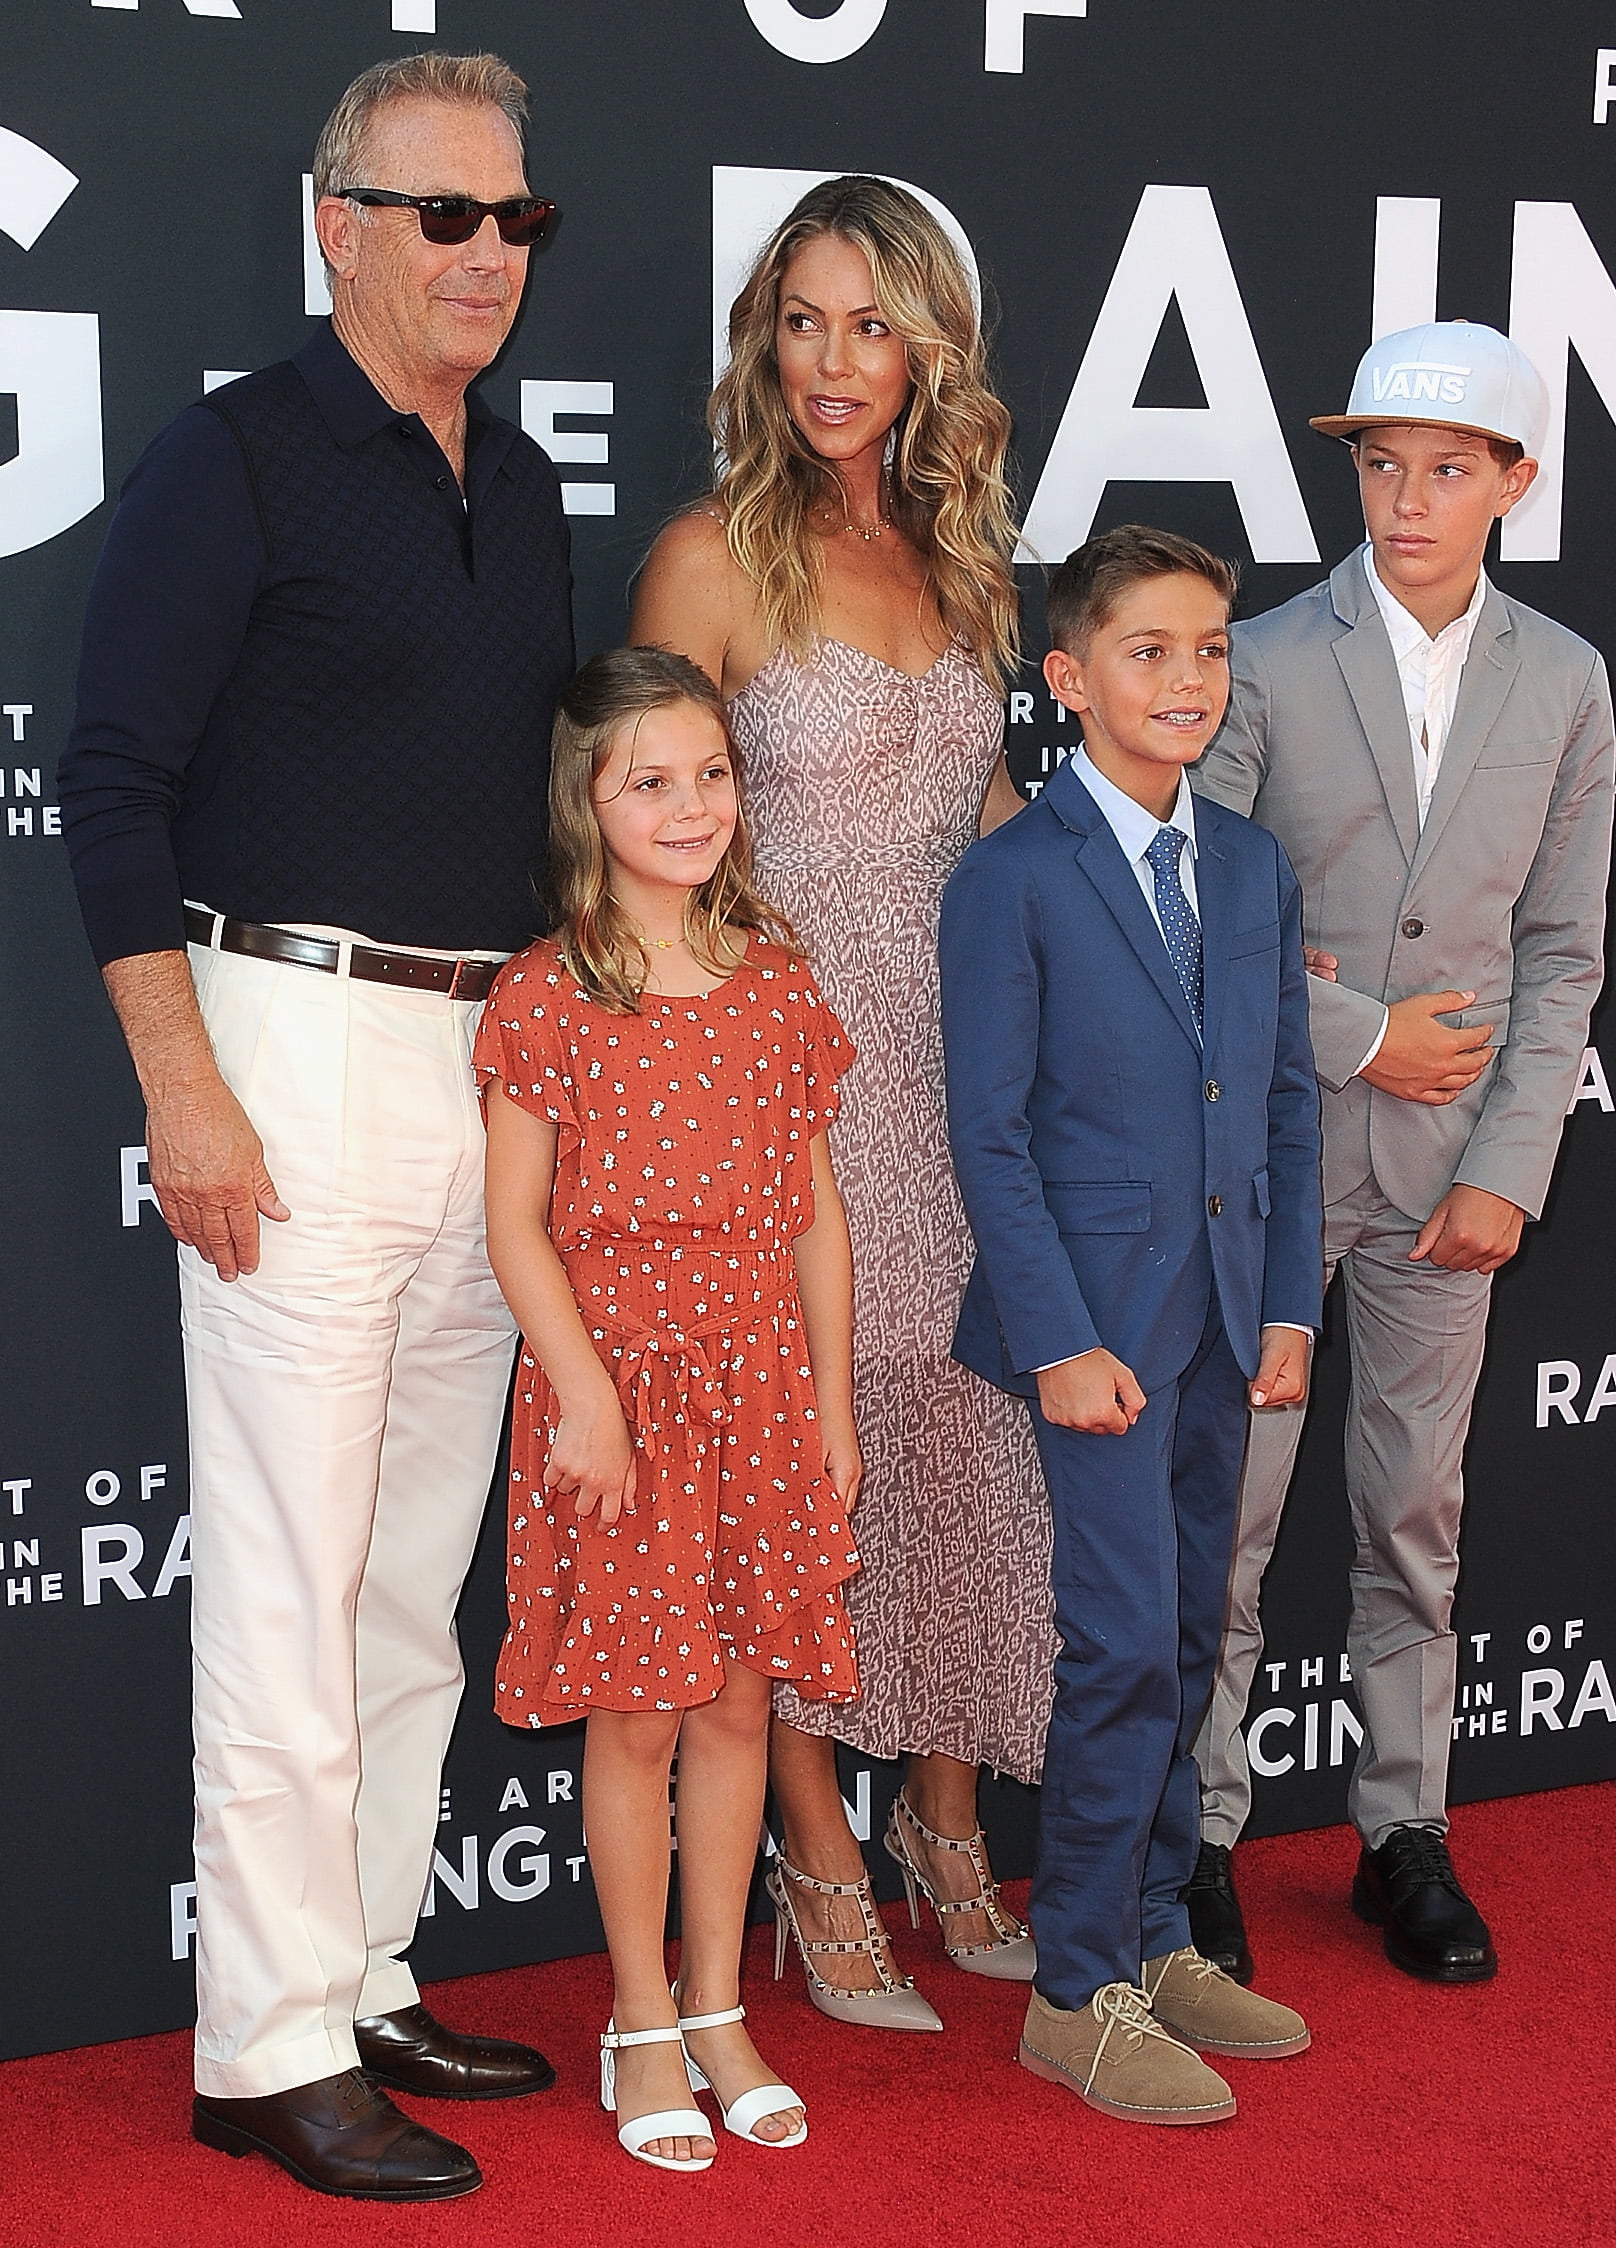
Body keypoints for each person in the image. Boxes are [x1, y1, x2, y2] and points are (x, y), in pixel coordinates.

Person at [56, 54, 571, 2202]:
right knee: (281, 1579)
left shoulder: (522, 478)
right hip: (285, 1037)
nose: (481, 257)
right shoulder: (233, 455)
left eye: (511, 221)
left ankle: (359, 1966)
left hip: (479, 1068)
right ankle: (259, 2043)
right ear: (333, 223)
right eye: (436, 214)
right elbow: (108, 782)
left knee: (402, 1588)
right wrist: (187, 1087)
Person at [631, 175, 1049, 2033]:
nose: (832, 360)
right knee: (807, 1469)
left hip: (961, 1068)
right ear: (760, 340)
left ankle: (946, 1827)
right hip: (788, 1085)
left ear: (928, 349)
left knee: (966, 1447)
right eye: (800, 319)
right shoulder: (712, 556)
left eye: (871, 324)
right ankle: (815, 1850)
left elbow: (988, 832)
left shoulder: (965, 562)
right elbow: (640, 844)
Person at [1187, 323, 1615, 1989]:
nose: (1408, 497)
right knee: (1230, 1514)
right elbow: (1207, 916)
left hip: (1455, 1179)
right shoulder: (1268, 656)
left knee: (1412, 1518)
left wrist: (1511, 1160)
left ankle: (1402, 1829)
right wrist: (1360, 1035)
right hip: (1276, 1162)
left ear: (1518, 481)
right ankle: (1201, 1832)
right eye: (1380, 463)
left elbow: (1563, 950)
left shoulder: (1568, 682)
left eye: (1448, 467)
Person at [940, 527, 1322, 2124]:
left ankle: (1160, 1936)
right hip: (1091, 1334)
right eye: (1150, 651)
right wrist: (1056, 1336)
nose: (1188, 679)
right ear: (1072, 678)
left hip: (1229, 1322)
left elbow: (1286, 1100)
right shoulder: (1013, 875)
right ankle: (1075, 1985)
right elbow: (992, 1132)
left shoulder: (1248, 864)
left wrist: (1291, 1299)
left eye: (1212, 649)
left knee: (1183, 1638)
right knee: (1116, 1652)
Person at [475, 647, 862, 2170]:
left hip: (762, 1392)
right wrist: (583, 1397)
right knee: (635, 1713)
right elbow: (517, 1225)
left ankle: (718, 2006)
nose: (689, 804)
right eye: (650, 780)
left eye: (712, 773)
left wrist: (830, 1404)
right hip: (616, 1397)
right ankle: (637, 2016)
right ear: (589, 800)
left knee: (739, 1702)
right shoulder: (545, 991)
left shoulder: (779, 983)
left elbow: (818, 1217)